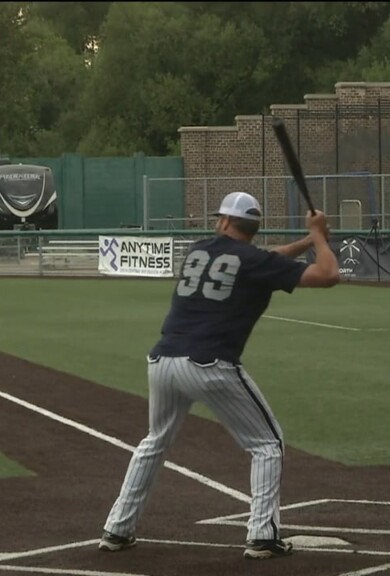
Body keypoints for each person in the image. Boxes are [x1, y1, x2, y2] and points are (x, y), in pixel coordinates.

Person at [98, 191, 340, 560]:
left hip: (163, 361)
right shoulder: (254, 261)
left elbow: (266, 261)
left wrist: (308, 239)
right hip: (210, 364)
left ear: (226, 222)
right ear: (253, 227)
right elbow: (328, 275)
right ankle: (262, 535)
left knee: (154, 442)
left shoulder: (200, 249)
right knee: (267, 444)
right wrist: (320, 238)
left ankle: (117, 528)